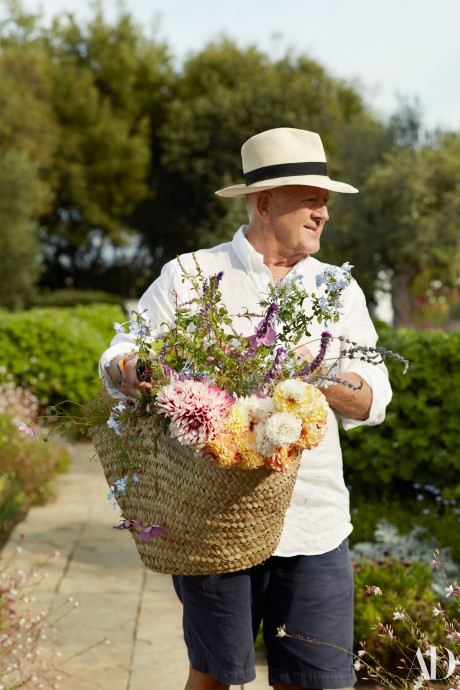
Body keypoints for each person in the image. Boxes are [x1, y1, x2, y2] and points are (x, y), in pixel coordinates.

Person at [99, 127, 392, 690]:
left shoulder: (339, 290)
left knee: (316, 683)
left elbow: (372, 398)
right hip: (213, 522)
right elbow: (121, 355)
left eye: (325, 200)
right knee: (213, 679)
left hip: (316, 522)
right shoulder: (188, 276)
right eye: (310, 197)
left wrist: (318, 371)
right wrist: (137, 371)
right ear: (263, 202)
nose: (323, 212)